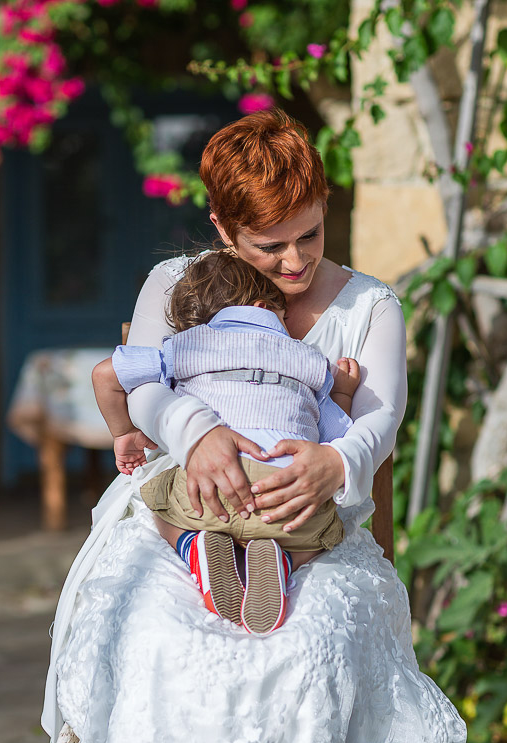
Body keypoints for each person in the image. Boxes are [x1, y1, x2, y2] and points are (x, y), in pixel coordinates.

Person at [27, 110, 468, 743]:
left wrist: (334, 461)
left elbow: (380, 417)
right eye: (270, 244)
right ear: (222, 226)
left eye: (310, 233)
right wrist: (194, 434)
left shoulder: (370, 306)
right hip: (179, 510)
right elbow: (144, 383)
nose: (295, 260)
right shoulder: (177, 284)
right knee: (160, 644)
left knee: (309, 654)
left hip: (312, 527)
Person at [90, 249, 363, 634]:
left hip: (207, 496)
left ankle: (192, 546)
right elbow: (338, 436)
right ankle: (282, 559)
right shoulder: (311, 360)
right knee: (327, 533)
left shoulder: (190, 345)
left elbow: (105, 375)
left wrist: (124, 433)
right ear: (262, 304)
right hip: (283, 501)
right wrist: (345, 393)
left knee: (156, 500)